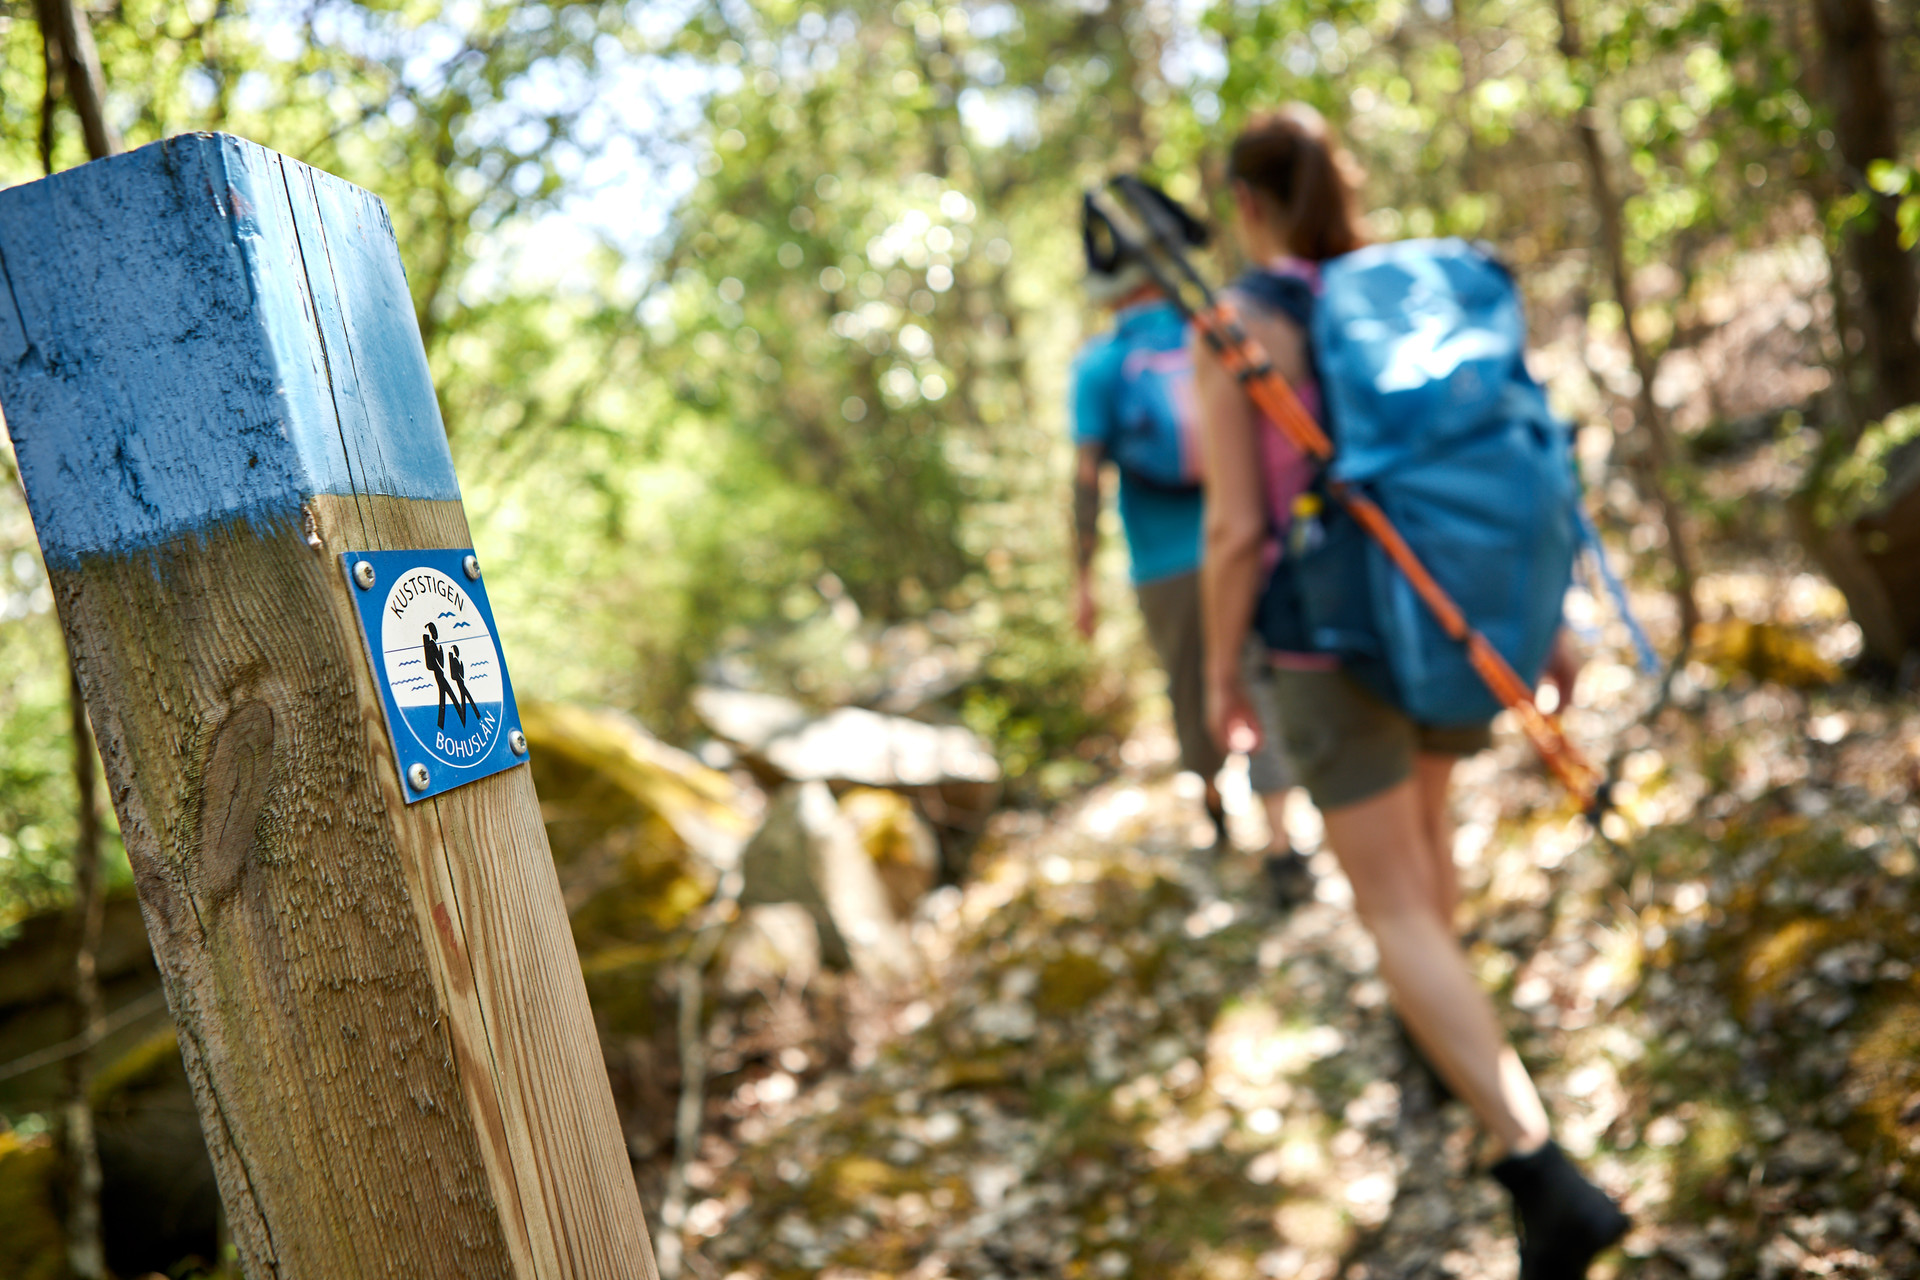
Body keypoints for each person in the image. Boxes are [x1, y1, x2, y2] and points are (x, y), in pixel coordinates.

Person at [1193, 104, 1629, 1277]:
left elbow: (1236, 530)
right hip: (1446, 622)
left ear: (1246, 201)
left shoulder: (1240, 323)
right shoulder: (1410, 291)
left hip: (1327, 648)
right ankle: (1448, 1052)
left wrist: (1214, 676)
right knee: (1425, 878)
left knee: (1393, 910)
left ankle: (1540, 1169)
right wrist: (1554, 613)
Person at [1071, 180, 1312, 905]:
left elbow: (1085, 479)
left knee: (1193, 690)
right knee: (1257, 680)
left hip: (1164, 564)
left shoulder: (1098, 367)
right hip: (1248, 541)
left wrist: (1081, 577)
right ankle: (1281, 842)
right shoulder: (1212, 333)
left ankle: (1214, 814)